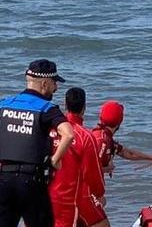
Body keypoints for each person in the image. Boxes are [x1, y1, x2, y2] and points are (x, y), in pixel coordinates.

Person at [0, 59, 75, 227]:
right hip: (33, 181)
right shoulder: (46, 108)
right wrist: (54, 161)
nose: (56, 88)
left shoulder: (5, 105)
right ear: (45, 83)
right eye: (55, 83)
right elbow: (68, 134)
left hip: (5, 180)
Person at [84, 100, 152, 227]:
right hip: (86, 194)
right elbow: (89, 169)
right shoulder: (102, 140)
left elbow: (126, 153)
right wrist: (107, 168)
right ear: (120, 121)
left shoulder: (103, 136)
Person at [49, 88, 105, 227]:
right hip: (70, 199)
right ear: (84, 107)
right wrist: (99, 194)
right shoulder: (85, 136)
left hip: (43, 193)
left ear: (65, 105)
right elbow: (93, 175)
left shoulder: (50, 130)